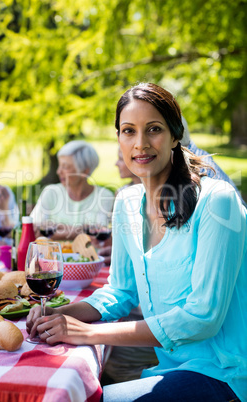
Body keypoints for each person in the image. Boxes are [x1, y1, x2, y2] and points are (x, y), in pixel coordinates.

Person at [26, 84, 246, 402]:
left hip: (225, 375)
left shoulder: (217, 201)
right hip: (170, 369)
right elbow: (121, 290)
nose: (140, 144)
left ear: (175, 136)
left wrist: (86, 332)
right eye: (129, 131)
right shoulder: (127, 202)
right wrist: (61, 315)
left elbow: (202, 318)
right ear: (119, 138)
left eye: (153, 129)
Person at [30, 140, 115, 240]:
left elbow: (98, 235)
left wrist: (57, 227)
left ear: (84, 171)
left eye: (65, 167)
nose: (58, 171)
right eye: (59, 165)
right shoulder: (51, 193)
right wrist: (82, 230)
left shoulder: (105, 196)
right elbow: (33, 230)